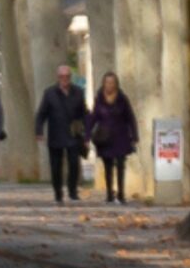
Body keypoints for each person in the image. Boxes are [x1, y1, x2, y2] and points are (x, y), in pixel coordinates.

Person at [35, 62, 89, 202]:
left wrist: (87, 133)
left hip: (73, 134)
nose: (65, 79)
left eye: (67, 76)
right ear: (58, 77)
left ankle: (72, 192)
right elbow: (41, 114)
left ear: (70, 77)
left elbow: (84, 113)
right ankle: (58, 193)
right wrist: (39, 131)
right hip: (56, 134)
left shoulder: (78, 92)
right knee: (56, 167)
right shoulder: (49, 93)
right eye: (62, 76)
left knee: (74, 164)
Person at [86, 71, 139, 203]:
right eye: (107, 82)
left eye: (112, 82)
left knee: (121, 165)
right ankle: (109, 193)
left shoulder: (122, 99)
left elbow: (130, 117)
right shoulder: (99, 98)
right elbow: (93, 117)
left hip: (121, 136)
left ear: (116, 84)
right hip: (105, 137)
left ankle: (121, 194)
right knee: (108, 165)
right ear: (103, 84)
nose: (109, 85)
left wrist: (134, 135)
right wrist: (87, 135)